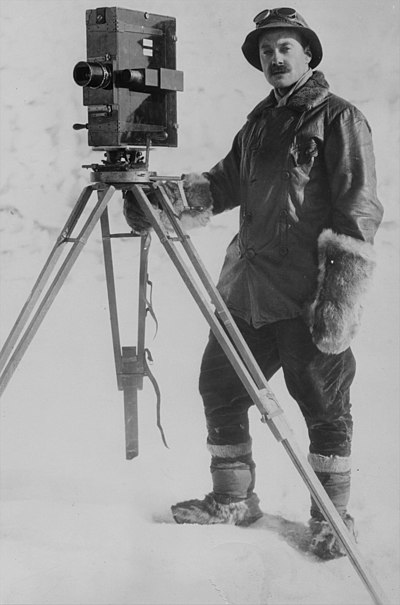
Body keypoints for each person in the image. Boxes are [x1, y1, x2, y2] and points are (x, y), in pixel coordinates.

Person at [123, 7, 383, 559]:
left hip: (306, 295)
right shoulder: (259, 123)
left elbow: (358, 210)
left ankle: (331, 519)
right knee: (219, 388)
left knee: (323, 404)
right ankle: (233, 499)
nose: (274, 58)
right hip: (246, 289)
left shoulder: (340, 119)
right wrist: (155, 200)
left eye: (285, 47)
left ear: (309, 54)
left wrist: (336, 299)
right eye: (266, 51)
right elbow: (221, 185)